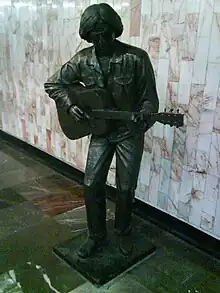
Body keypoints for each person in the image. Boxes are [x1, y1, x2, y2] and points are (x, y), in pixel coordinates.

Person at [44, 3, 159, 258]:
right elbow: (53, 83)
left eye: (106, 33)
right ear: (88, 36)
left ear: (114, 30)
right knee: (91, 183)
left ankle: (123, 232)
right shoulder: (84, 59)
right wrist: (71, 104)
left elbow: (150, 98)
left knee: (126, 187)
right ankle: (96, 235)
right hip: (100, 132)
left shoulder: (136, 58)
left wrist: (144, 115)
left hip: (129, 132)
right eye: (95, 36)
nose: (102, 40)